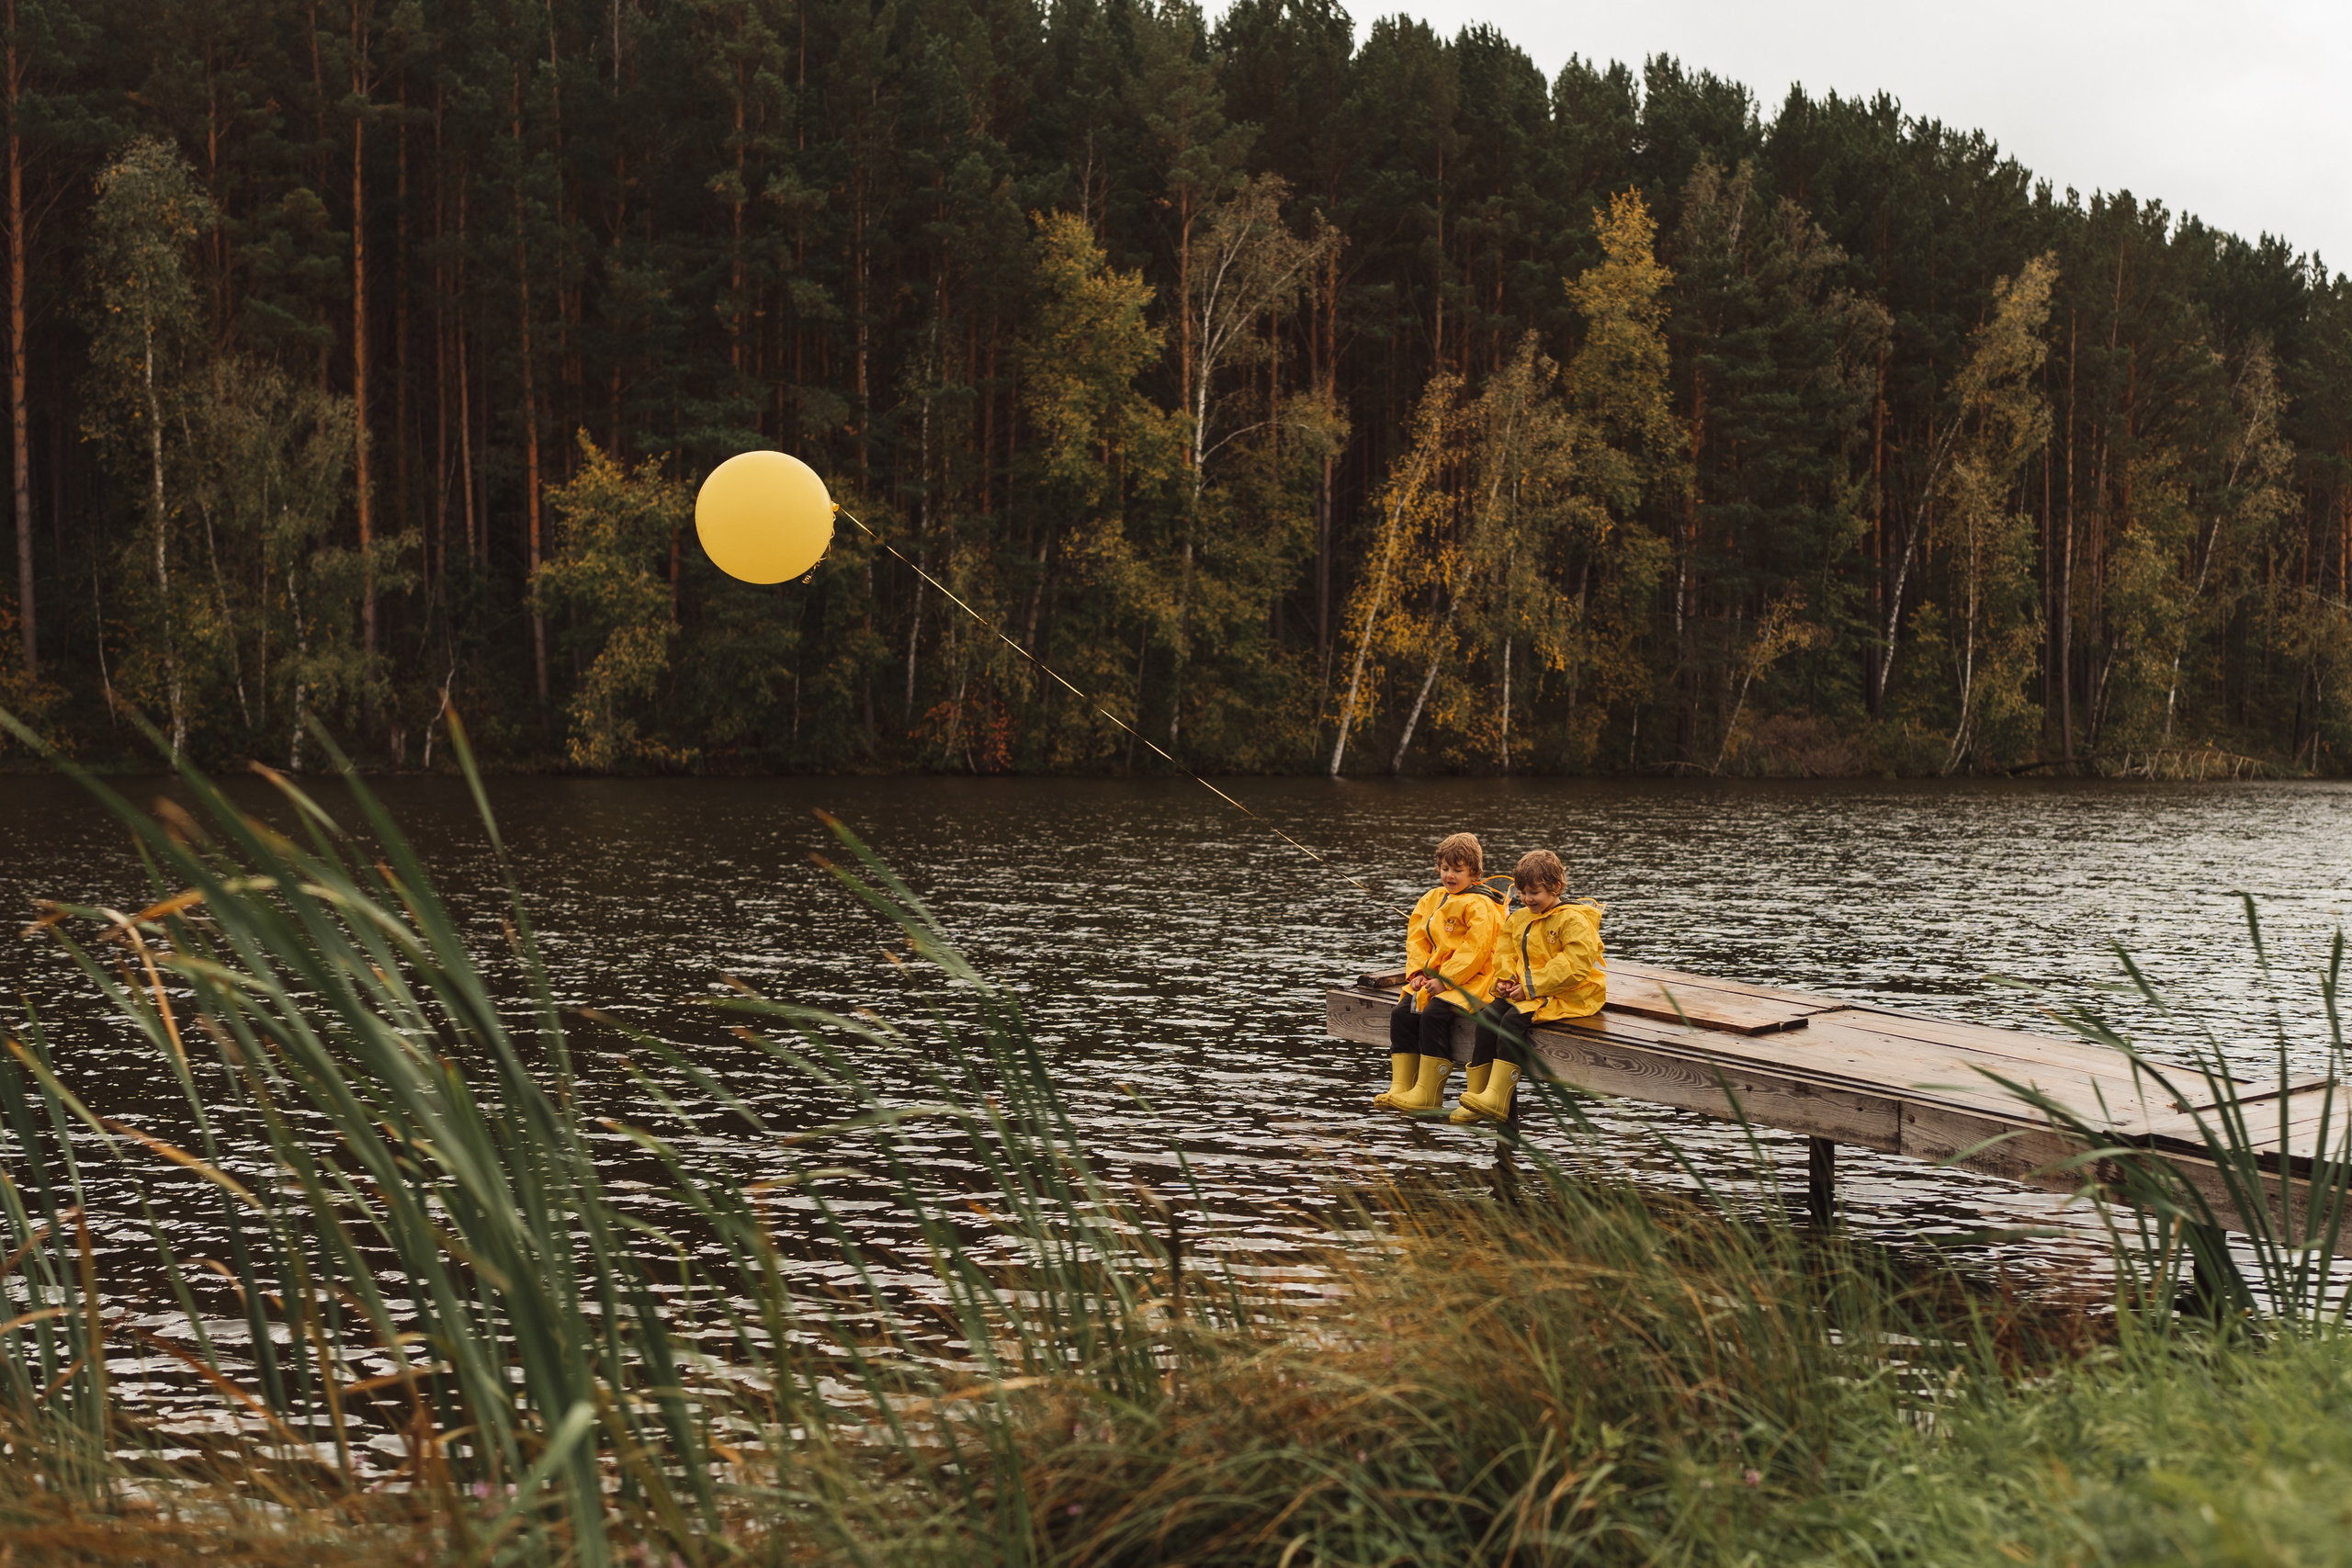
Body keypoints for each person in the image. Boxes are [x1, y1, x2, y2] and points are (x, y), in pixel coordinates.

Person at [1451, 849, 1605, 1124]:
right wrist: (1506, 979)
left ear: (1555, 887)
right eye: (1522, 893)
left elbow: (1574, 966)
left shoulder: (1573, 920)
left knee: (1511, 1021)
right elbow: (1505, 952)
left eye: (1534, 893)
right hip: (1527, 990)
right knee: (1487, 1018)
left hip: (1567, 993)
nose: (1527, 899)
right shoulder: (1520, 918)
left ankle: (1498, 1096)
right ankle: (1477, 1094)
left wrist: (1529, 987)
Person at [1379, 831, 1508, 1114]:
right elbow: (1416, 938)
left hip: (1472, 979)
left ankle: (1429, 1091)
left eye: (1458, 870)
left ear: (1474, 873)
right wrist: (1417, 972)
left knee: (1434, 1014)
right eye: (1445, 868)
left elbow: (1474, 951)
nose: (1450, 875)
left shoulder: (1481, 905)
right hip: (1433, 977)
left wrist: (1445, 980)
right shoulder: (1432, 898)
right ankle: (1401, 1085)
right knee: (1402, 1013)